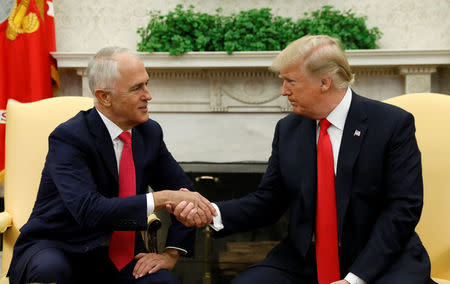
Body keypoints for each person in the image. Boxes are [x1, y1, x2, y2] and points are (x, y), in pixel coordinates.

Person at [171, 35, 434, 284]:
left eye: (291, 81)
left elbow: (402, 210)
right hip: (305, 260)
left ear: (324, 82)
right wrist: (210, 213)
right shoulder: (289, 129)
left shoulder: (391, 124)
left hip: (381, 260)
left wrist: (354, 278)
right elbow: (268, 201)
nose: (284, 91)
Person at [8, 46, 216, 284]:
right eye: (137, 88)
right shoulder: (69, 137)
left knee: (164, 283)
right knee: (50, 271)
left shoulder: (149, 133)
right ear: (104, 96)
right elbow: (89, 210)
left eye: (146, 84)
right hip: (60, 245)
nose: (148, 95)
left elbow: (185, 193)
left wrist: (171, 253)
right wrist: (161, 198)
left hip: (122, 254)